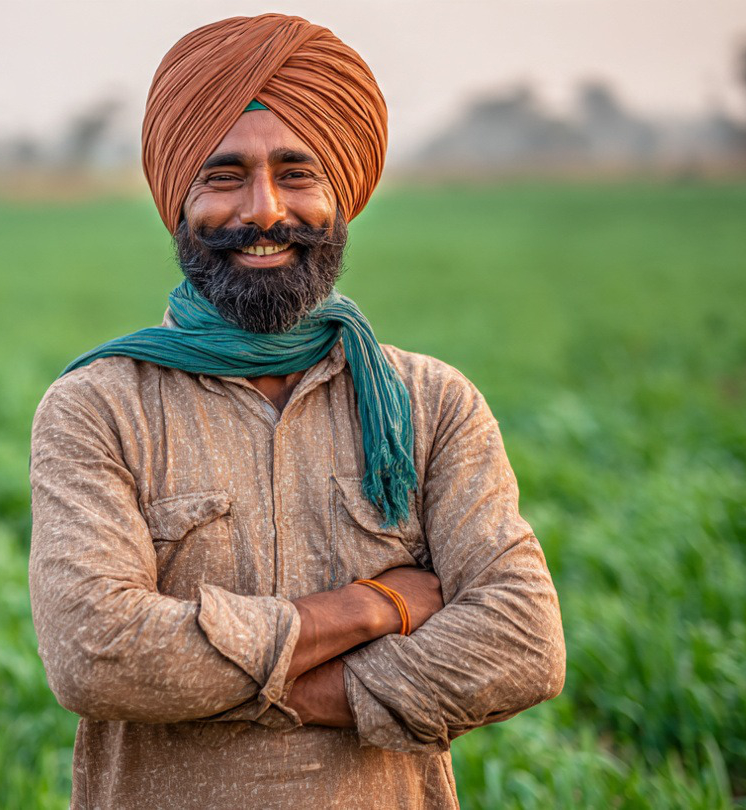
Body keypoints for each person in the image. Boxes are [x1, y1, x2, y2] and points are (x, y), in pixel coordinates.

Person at [29, 13, 565, 809]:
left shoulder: (431, 404)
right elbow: (97, 653)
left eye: (297, 171)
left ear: (342, 194)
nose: (265, 209)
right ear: (179, 198)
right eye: (224, 175)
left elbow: (522, 642)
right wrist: (371, 607)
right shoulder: (99, 407)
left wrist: (286, 685)